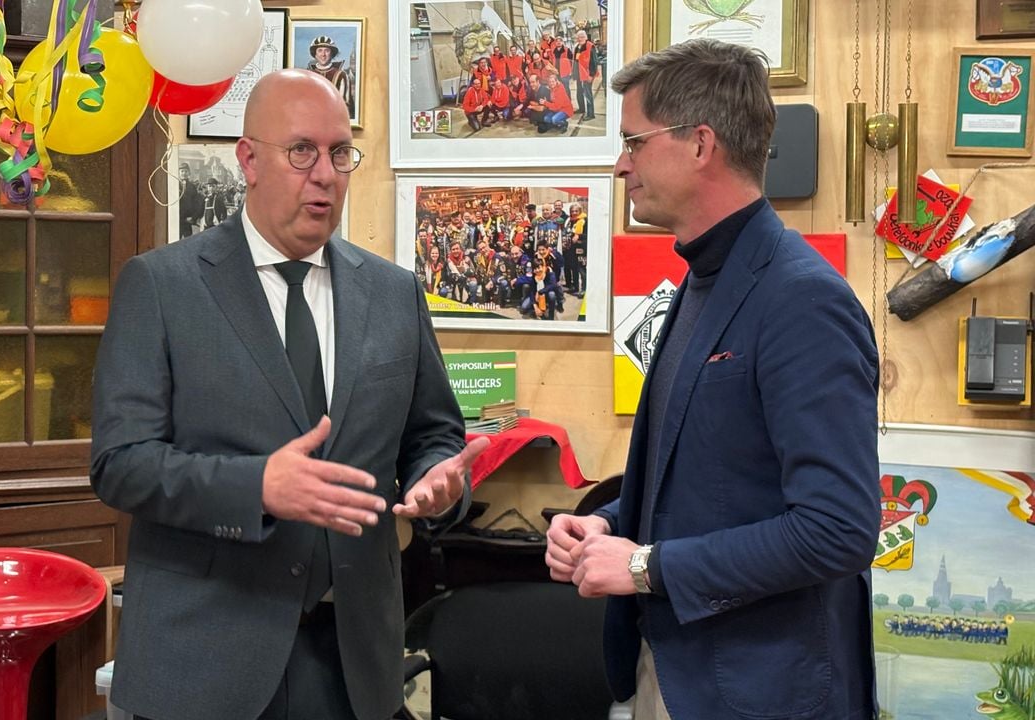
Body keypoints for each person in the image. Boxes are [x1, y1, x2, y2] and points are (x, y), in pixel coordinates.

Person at [91, 69, 489, 720]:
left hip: (353, 663)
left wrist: (437, 481)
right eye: (302, 151)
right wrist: (256, 488)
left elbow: (432, 435)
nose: (325, 174)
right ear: (248, 160)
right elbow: (120, 464)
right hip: (205, 660)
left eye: (340, 153)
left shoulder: (394, 294)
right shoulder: (162, 287)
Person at [545, 39, 880, 720]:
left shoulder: (801, 298)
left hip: (762, 692)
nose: (621, 165)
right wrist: (606, 526)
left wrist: (644, 567)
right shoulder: (704, 279)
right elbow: (709, 485)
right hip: (677, 668)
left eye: (634, 143)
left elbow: (838, 528)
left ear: (700, 144)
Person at [305, 35, 354, 120]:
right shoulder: (308, 75)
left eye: (327, 51)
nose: (323, 54)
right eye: (320, 50)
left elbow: (345, 105)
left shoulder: (341, 75)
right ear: (315, 54)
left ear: (332, 54)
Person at [175, 161, 203, 238]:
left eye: (186, 171)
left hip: (187, 220)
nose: (184, 173)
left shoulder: (192, 187)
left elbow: (196, 204)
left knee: (188, 241)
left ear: (189, 173)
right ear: (179, 172)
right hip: (176, 220)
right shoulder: (174, 184)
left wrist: (193, 217)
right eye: (182, 171)